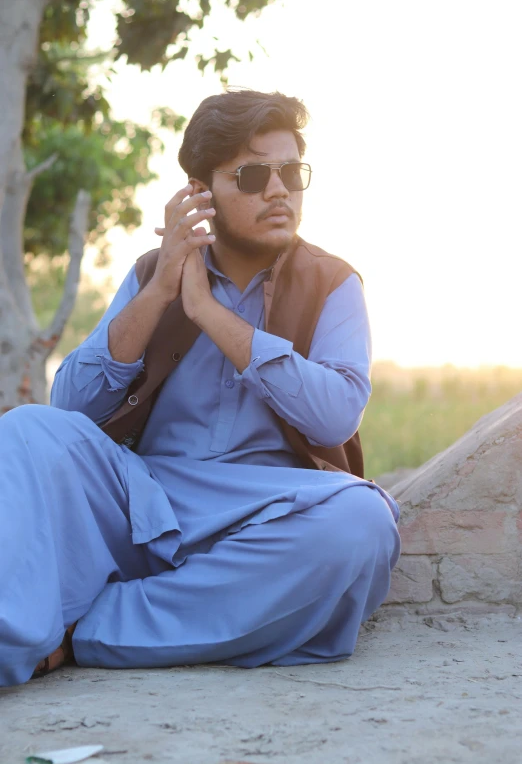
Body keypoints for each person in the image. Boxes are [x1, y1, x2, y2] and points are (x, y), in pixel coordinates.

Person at [0, 90, 400, 688]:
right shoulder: (150, 274)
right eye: (254, 173)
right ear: (199, 189)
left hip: (269, 507)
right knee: (26, 429)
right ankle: (12, 638)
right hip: (146, 496)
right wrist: (162, 290)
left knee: (361, 524)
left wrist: (211, 314)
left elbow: (336, 416)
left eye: (291, 173)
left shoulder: (332, 283)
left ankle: (85, 629)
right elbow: (73, 407)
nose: (278, 190)